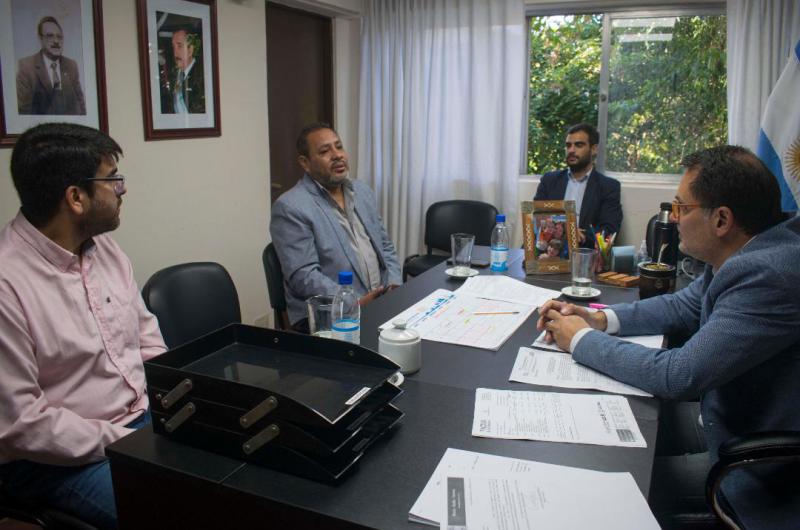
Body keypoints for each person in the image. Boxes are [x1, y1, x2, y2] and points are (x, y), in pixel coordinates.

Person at [537, 145, 800, 529]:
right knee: (623, 445)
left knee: (615, 487)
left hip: (763, 473)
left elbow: (677, 375)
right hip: (731, 417)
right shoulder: (750, 248)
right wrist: (596, 319)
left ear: (721, 220)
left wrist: (578, 340)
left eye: (681, 208)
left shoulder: (767, 274)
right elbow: (684, 306)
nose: (673, 218)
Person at [0, 123, 167, 529]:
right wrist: (127, 442)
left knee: (238, 487)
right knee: (176, 513)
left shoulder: (105, 250)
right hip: (53, 461)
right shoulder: (7, 283)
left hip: (138, 424)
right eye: (112, 180)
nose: (121, 190)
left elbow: (147, 341)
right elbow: (21, 425)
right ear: (76, 197)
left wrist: (171, 403)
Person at [270, 123, 402, 329]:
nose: (337, 155)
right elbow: (303, 276)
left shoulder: (361, 191)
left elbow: (385, 247)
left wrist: (394, 286)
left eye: (339, 147)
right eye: (324, 151)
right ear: (305, 163)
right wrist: (352, 302)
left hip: (380, 304)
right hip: (329, 316)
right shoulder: (290, 207)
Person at [534, 123, 622, 246]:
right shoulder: (549, 180)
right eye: (568, 145)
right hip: (549, 250)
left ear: (594, 149)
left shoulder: (608, 187)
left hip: (584, 253)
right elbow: (536, 218)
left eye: (579, 145)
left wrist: (582, 236)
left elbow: (609, 230)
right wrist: (565, 230)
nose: (571, 150)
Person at [16, 16, 86, 115]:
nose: (56, 41)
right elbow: (23, 112)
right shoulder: (26, 67)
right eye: (50, 36)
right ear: (40, 39)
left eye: (59, 37)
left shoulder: (71, 66)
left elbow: (81, 106)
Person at [160, 27, 205, 114]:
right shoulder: (174, 74)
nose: (175, 53)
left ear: (190, 50)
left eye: (179, 46)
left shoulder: (202, 75)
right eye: (173, 47)